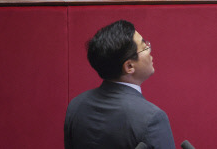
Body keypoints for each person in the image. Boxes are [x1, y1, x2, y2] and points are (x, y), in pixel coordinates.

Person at [64, 20, 175, 149]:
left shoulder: (76, 106)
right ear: (129, 66)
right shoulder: (152, 118)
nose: (149, 49)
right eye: (144, 46)